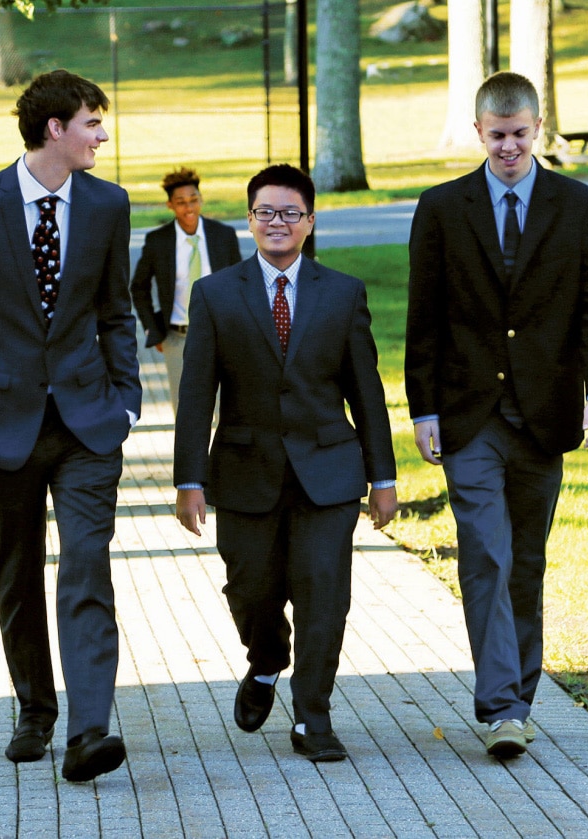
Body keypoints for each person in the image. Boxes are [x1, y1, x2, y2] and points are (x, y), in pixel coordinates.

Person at [404, 72, 588, 758]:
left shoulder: (578, 204)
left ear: (538, 129)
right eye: (496, 136)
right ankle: (501, 705)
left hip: (547, 411)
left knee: (526, 560)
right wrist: (424, 408)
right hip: (470, 416)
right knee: (485, 554)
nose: (508, 147)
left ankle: (518, 700)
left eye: (520, 135)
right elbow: (425, 317)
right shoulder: (441, 208)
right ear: (478, 132)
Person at [0, 69, 142, 782]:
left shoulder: (109, 205)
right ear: (55, 128)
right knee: (17, 571)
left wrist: (129, 401)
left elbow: (117, 311)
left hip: (88, 423)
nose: (101, 135)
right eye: (92, 122)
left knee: (87, 562)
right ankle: (35, 709)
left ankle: (89, 732)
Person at [174, 163, 399, 762]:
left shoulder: (343, 292)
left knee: (324, 594)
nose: (278, 222)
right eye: (266, 212)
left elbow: (366, 391)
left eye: (290, 213)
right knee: (250, 590)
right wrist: (188, 480)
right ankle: (267, 659)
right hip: (246, 473)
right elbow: (197, 394)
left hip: (328, 472)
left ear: (310, 222)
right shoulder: (215, 295)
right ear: (249, 221)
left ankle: (312, 719)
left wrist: (384, 477)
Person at [130, 166, 242, 414]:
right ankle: (191, 455)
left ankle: (220, 455)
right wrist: (153, 329)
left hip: (221, 336)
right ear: (170, 205)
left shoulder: (223, 235)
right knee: (186, 411)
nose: (189, 208)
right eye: (181, 202)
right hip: (177, 338)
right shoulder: (158, 242)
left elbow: (241, 284)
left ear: (201, 199)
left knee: (226, 410)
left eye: (193, 200)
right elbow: (138, 287)